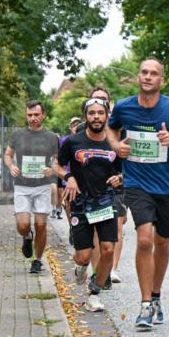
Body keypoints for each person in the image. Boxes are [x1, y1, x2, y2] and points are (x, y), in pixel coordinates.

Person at [107, 58, 169, 331]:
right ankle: (145, 303)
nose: (148, 77)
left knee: (162, 242)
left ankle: (157, 295)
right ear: (138, 77)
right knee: (145, 238)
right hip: (136, 182)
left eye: (154, 74)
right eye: (144, 72)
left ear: (161, 80)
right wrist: (116, 146)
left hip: (168, 186)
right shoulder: (124, 107)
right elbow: (112, 129)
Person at [54, 97, 122, 312]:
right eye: (91, 113)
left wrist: (120, 178)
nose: (96, 117)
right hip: (81, 203)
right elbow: (55, 164)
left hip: (105, 200)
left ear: (106, 116)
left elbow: (125, 169)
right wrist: (68, 176)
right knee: (83, 255)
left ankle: (95, 292)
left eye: (100, 113)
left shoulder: (114, 143)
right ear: (86, 116)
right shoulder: (73, 142)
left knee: (108, 249)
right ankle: (81, 267)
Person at [4, 100, 60, 274]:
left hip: (42, 185)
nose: (33, 118)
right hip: (22, 185)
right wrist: (11, 166)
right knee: (23, 225)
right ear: (26, 115)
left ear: (43, 115)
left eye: (36, 115)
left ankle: (37, 260)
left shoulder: (51, 137)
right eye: (29, 115)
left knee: (41, 224)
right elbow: (7, 154)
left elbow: (56, 159)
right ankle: (27, 237)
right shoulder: (18, 135)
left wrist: (52, 168)